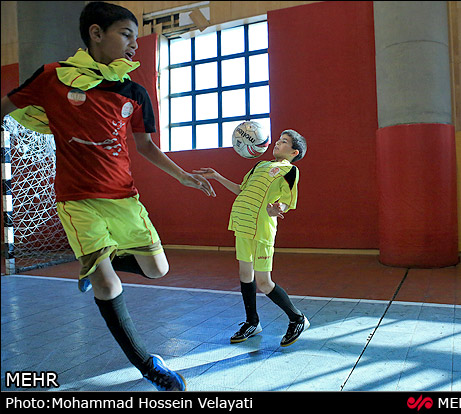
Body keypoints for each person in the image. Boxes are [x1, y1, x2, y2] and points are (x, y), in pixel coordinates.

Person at [0, 1, 216, 391]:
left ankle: (102, 261)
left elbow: (145, 146)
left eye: (136, 36)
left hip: (123, 198)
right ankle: (149, 367)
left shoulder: (134, 92)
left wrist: (183, 176)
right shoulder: (52, 77)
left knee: (157, 269)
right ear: (96, 34)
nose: (134, 44)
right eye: (126, 34)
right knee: (108, 285)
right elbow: (5, 107)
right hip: (76, 200)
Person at [196, 129, 309, 347]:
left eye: (284, 142)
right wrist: (217, 176)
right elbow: (241, 189)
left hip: (262, 228)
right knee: (245, 275)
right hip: (242, 224)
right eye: (278, 140)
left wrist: (277, 208)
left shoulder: (290, 171)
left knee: (264, 283)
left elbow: (286, 201)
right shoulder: (259, 165)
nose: (278, 143)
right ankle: (252, 322)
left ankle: (298, 319)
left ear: (294, 152)